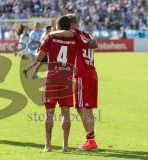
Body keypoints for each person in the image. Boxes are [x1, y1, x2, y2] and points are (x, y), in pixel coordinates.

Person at [50, 13, 98, 151]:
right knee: (87, 108)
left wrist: (52, 31)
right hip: (92, 73)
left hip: (82, 75)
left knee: (82, 108)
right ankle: (90, 139)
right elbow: (95, 44)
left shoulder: (72, 33)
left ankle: (91, 141)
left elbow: (62, 34)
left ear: (69, 25)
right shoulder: (87, 34)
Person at [36, 16, 78, 152]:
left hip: (52, 78)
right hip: (67, 77)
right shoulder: (74, 37)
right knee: (66, 113)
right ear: (69, 26)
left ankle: (48, 145)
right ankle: (65, 145)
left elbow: (39, 57)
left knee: (49, 113)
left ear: (58, 26)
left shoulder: (50, 37)